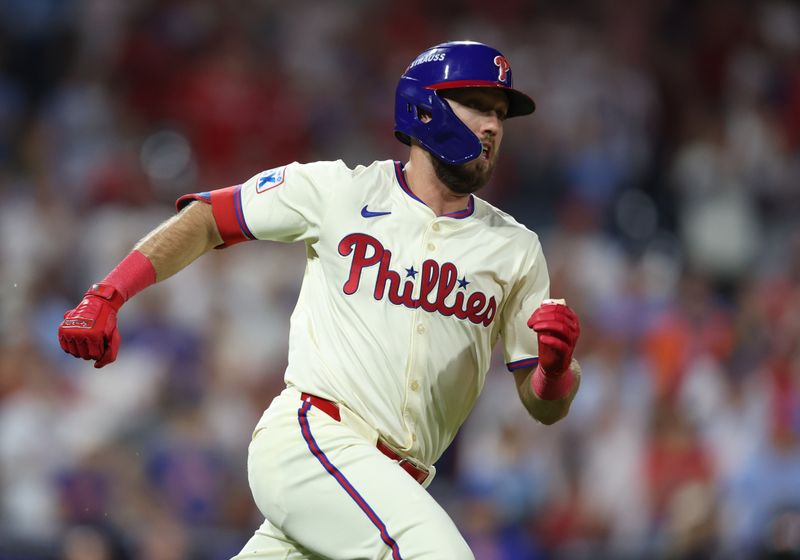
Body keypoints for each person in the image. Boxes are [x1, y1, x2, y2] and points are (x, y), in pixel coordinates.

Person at [58, 40, 582, 559]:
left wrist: (555, 370)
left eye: (501, 115)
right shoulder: (339, 191)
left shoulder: (515, 248)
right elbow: (207, 219)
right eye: (478, 107)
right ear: (425, 105)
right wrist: (109, 293)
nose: (493, 126)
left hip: (386, 489)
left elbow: (543, 405)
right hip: (315, 441)